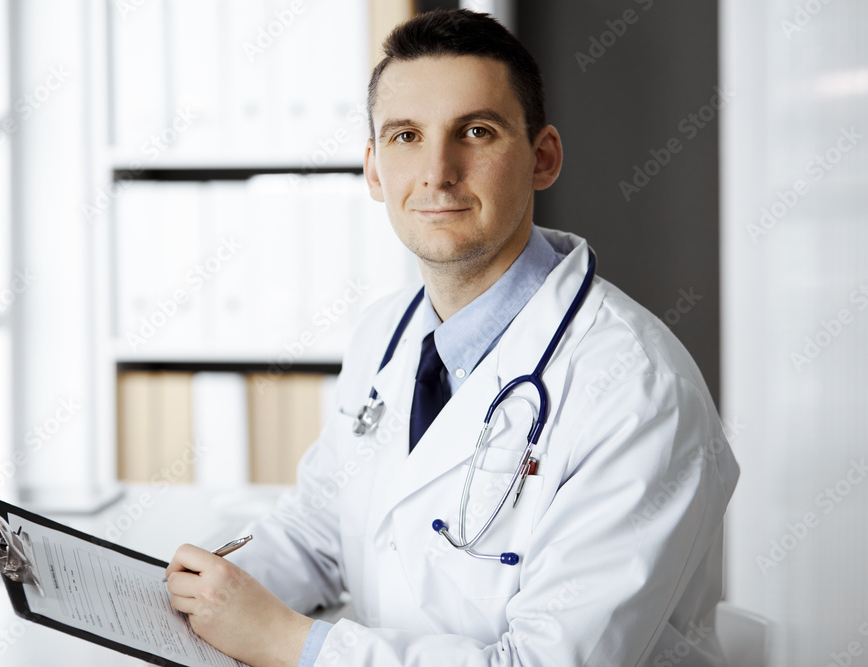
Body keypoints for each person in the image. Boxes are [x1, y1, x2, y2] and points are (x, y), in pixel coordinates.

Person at [164, 9, 739, 666]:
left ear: (543, 157)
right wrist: (193, 594)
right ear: (375, 172)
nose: (438, 170)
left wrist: (290, 642)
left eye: (476, 131)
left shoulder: (634, 389)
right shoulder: (387, 331)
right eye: (406, 135)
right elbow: (317, 534)